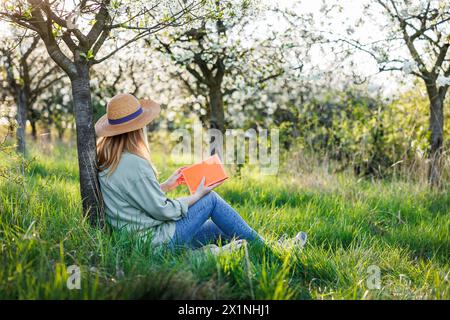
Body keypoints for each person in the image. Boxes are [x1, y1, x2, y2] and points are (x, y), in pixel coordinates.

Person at [95, 93, 307, 252]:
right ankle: (273, 250)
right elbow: (162, 211)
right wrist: (196, 196)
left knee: (218, 229)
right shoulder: (135, 163)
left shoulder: (108, 160)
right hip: (156, 242)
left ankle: (263, 247)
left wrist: (166, 186)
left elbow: (132, 198)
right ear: (138, 129)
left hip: (139, 240)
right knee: (210, 199)